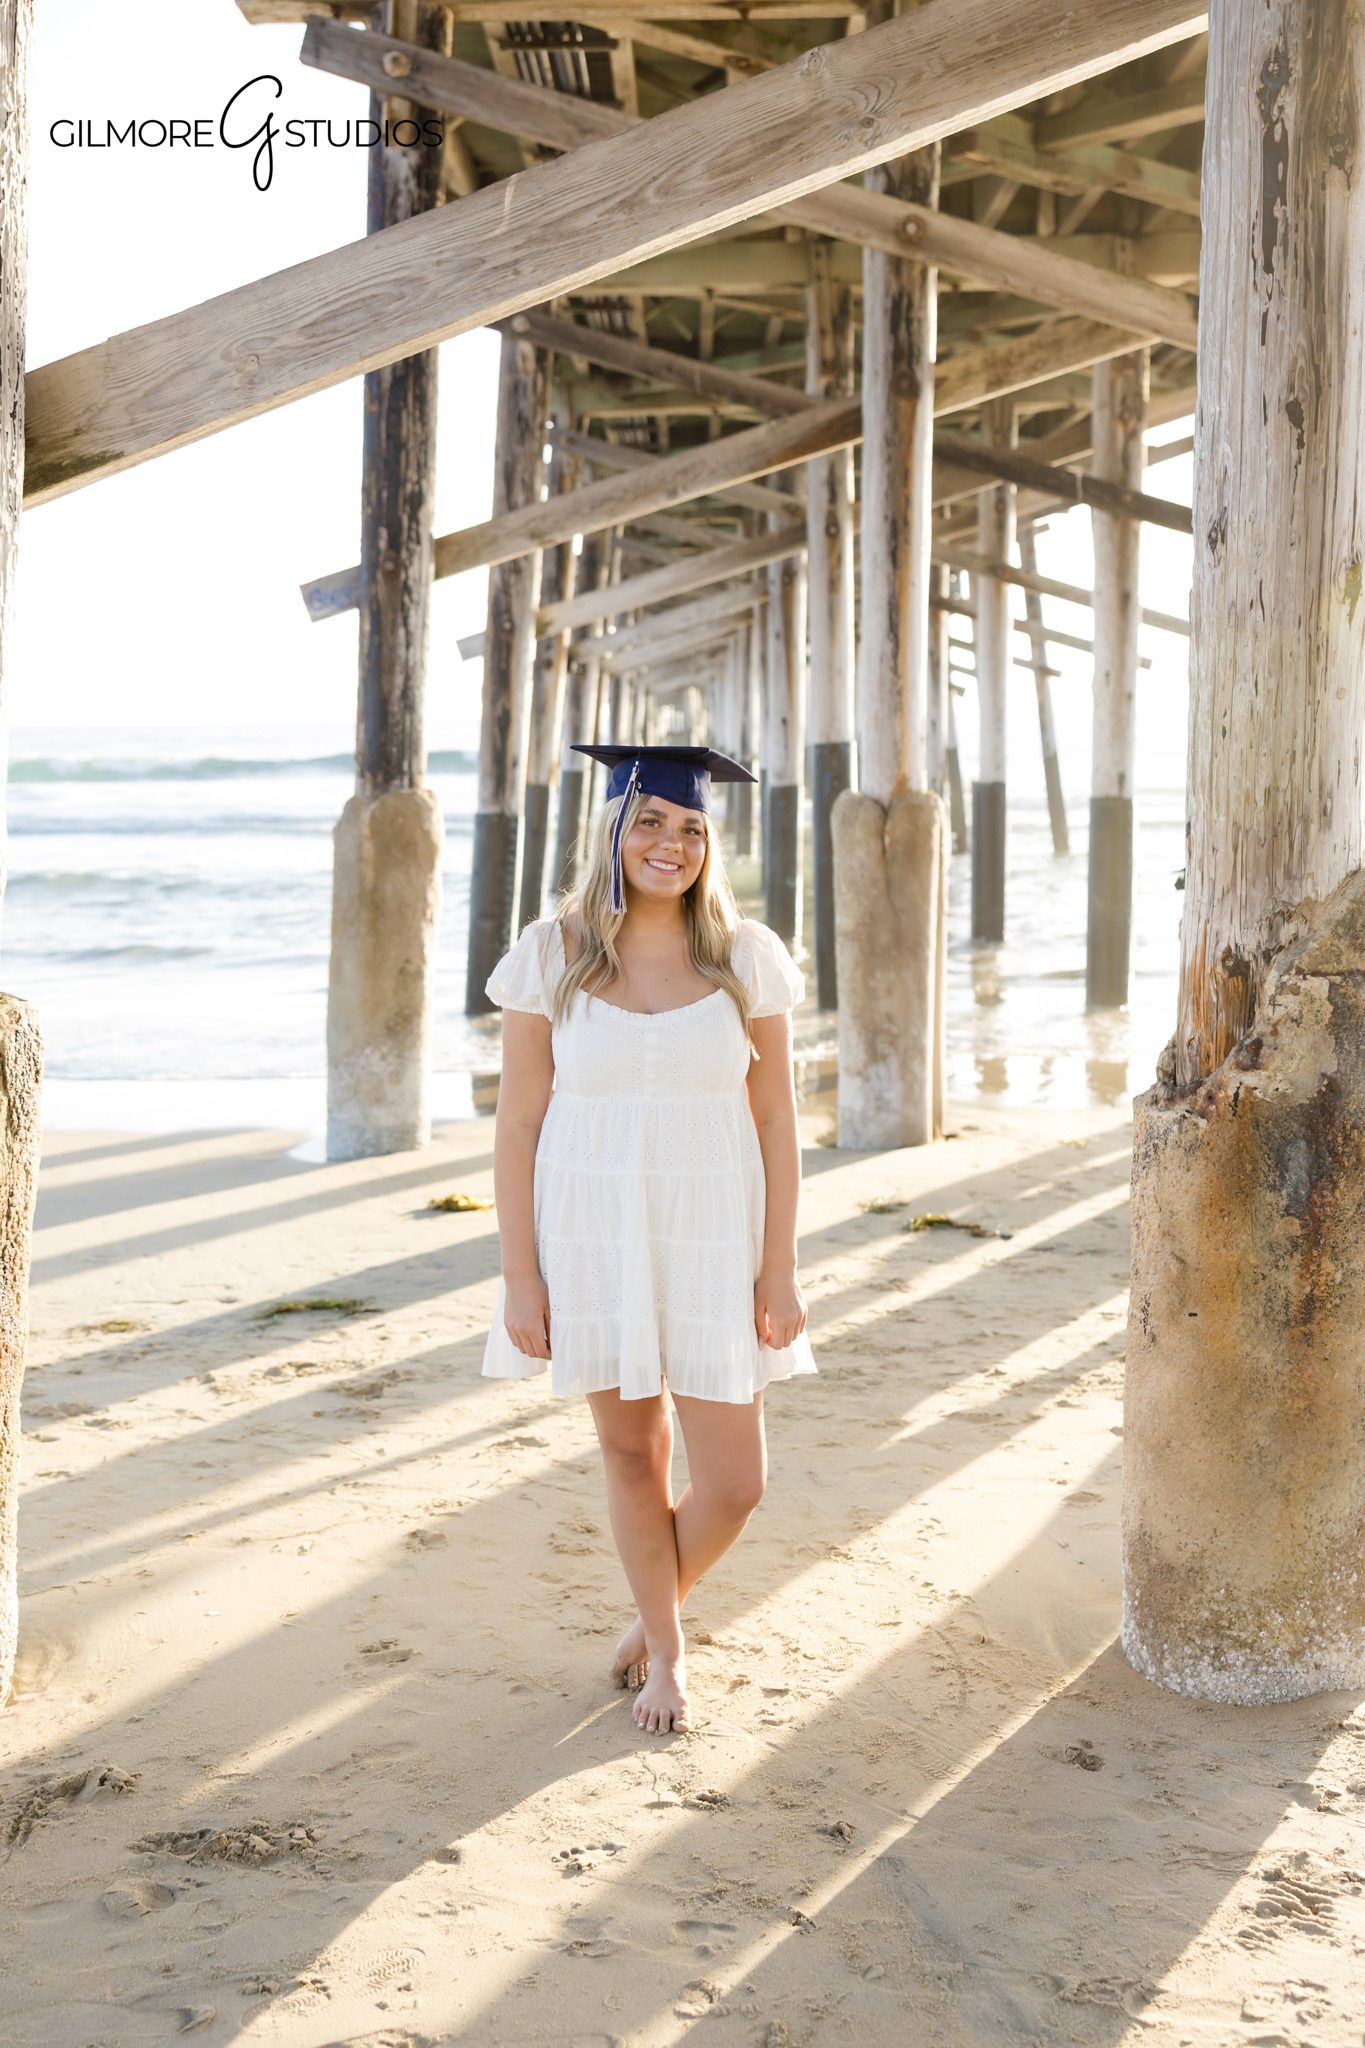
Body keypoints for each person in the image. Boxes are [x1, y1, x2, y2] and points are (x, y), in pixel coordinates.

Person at [480, 742, 817, 1735]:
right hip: (590, 1234)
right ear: (616, 828)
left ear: (710, 843)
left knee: (735, 1481)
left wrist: (781, 1263)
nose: (670, 843)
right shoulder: (554, 951)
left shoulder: (743, 954)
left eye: (691, 828)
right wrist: (520, 1276)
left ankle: (644, 1612)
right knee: (633, 1456)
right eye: (651, 822)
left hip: (717, 1229)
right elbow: (519, 1125)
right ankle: (668, 1649)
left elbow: (777, 1120)